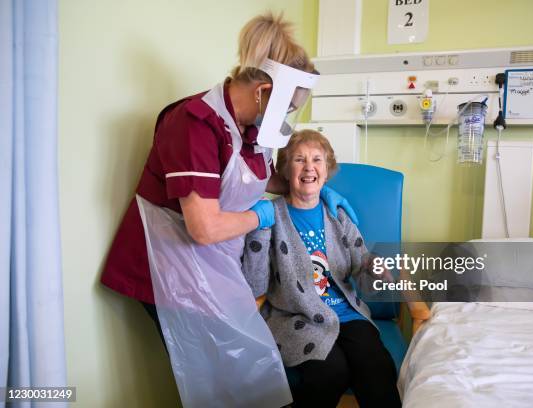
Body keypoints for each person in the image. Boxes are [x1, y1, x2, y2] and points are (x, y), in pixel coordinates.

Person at [100, 13, 356, 350]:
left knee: (240, 369)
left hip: (212, 261)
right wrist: (264, 215)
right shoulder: (194, 125)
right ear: (264, 92)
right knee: (213, 373)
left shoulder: (253, 127)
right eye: (289, 107)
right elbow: (203, 228)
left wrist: (315, 190)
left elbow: (260, 178)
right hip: (167, 267)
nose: (288, 116)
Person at [242, 129, 431, 408]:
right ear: (283, 169)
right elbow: (255, 284)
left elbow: (361, 259)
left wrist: (374, 267)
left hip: (346, 313)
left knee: (376, 367)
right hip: (296, 317)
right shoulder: (271, 217)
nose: (309, 167)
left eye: (317, 160)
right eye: (299, 160)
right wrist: (257, 229)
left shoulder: (336, 212)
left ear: (327, 170)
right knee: (330, 372)